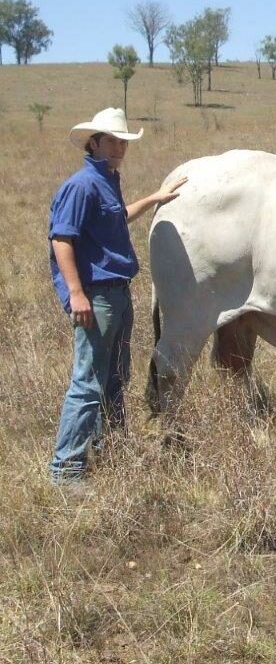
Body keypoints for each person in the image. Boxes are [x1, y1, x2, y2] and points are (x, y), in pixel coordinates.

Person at [48, 107, 187, 483]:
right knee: (89, 380)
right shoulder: (81, 186)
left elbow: (119, 215)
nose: (120, 147)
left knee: (116, 376)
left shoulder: (108, 179)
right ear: (93, 143)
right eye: (112, 140)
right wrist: (76, 293)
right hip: (98, 296)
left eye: (123, 141)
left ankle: (110, 448)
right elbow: (62, 239)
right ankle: (66, 470)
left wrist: (155, 198)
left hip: (119, 294)